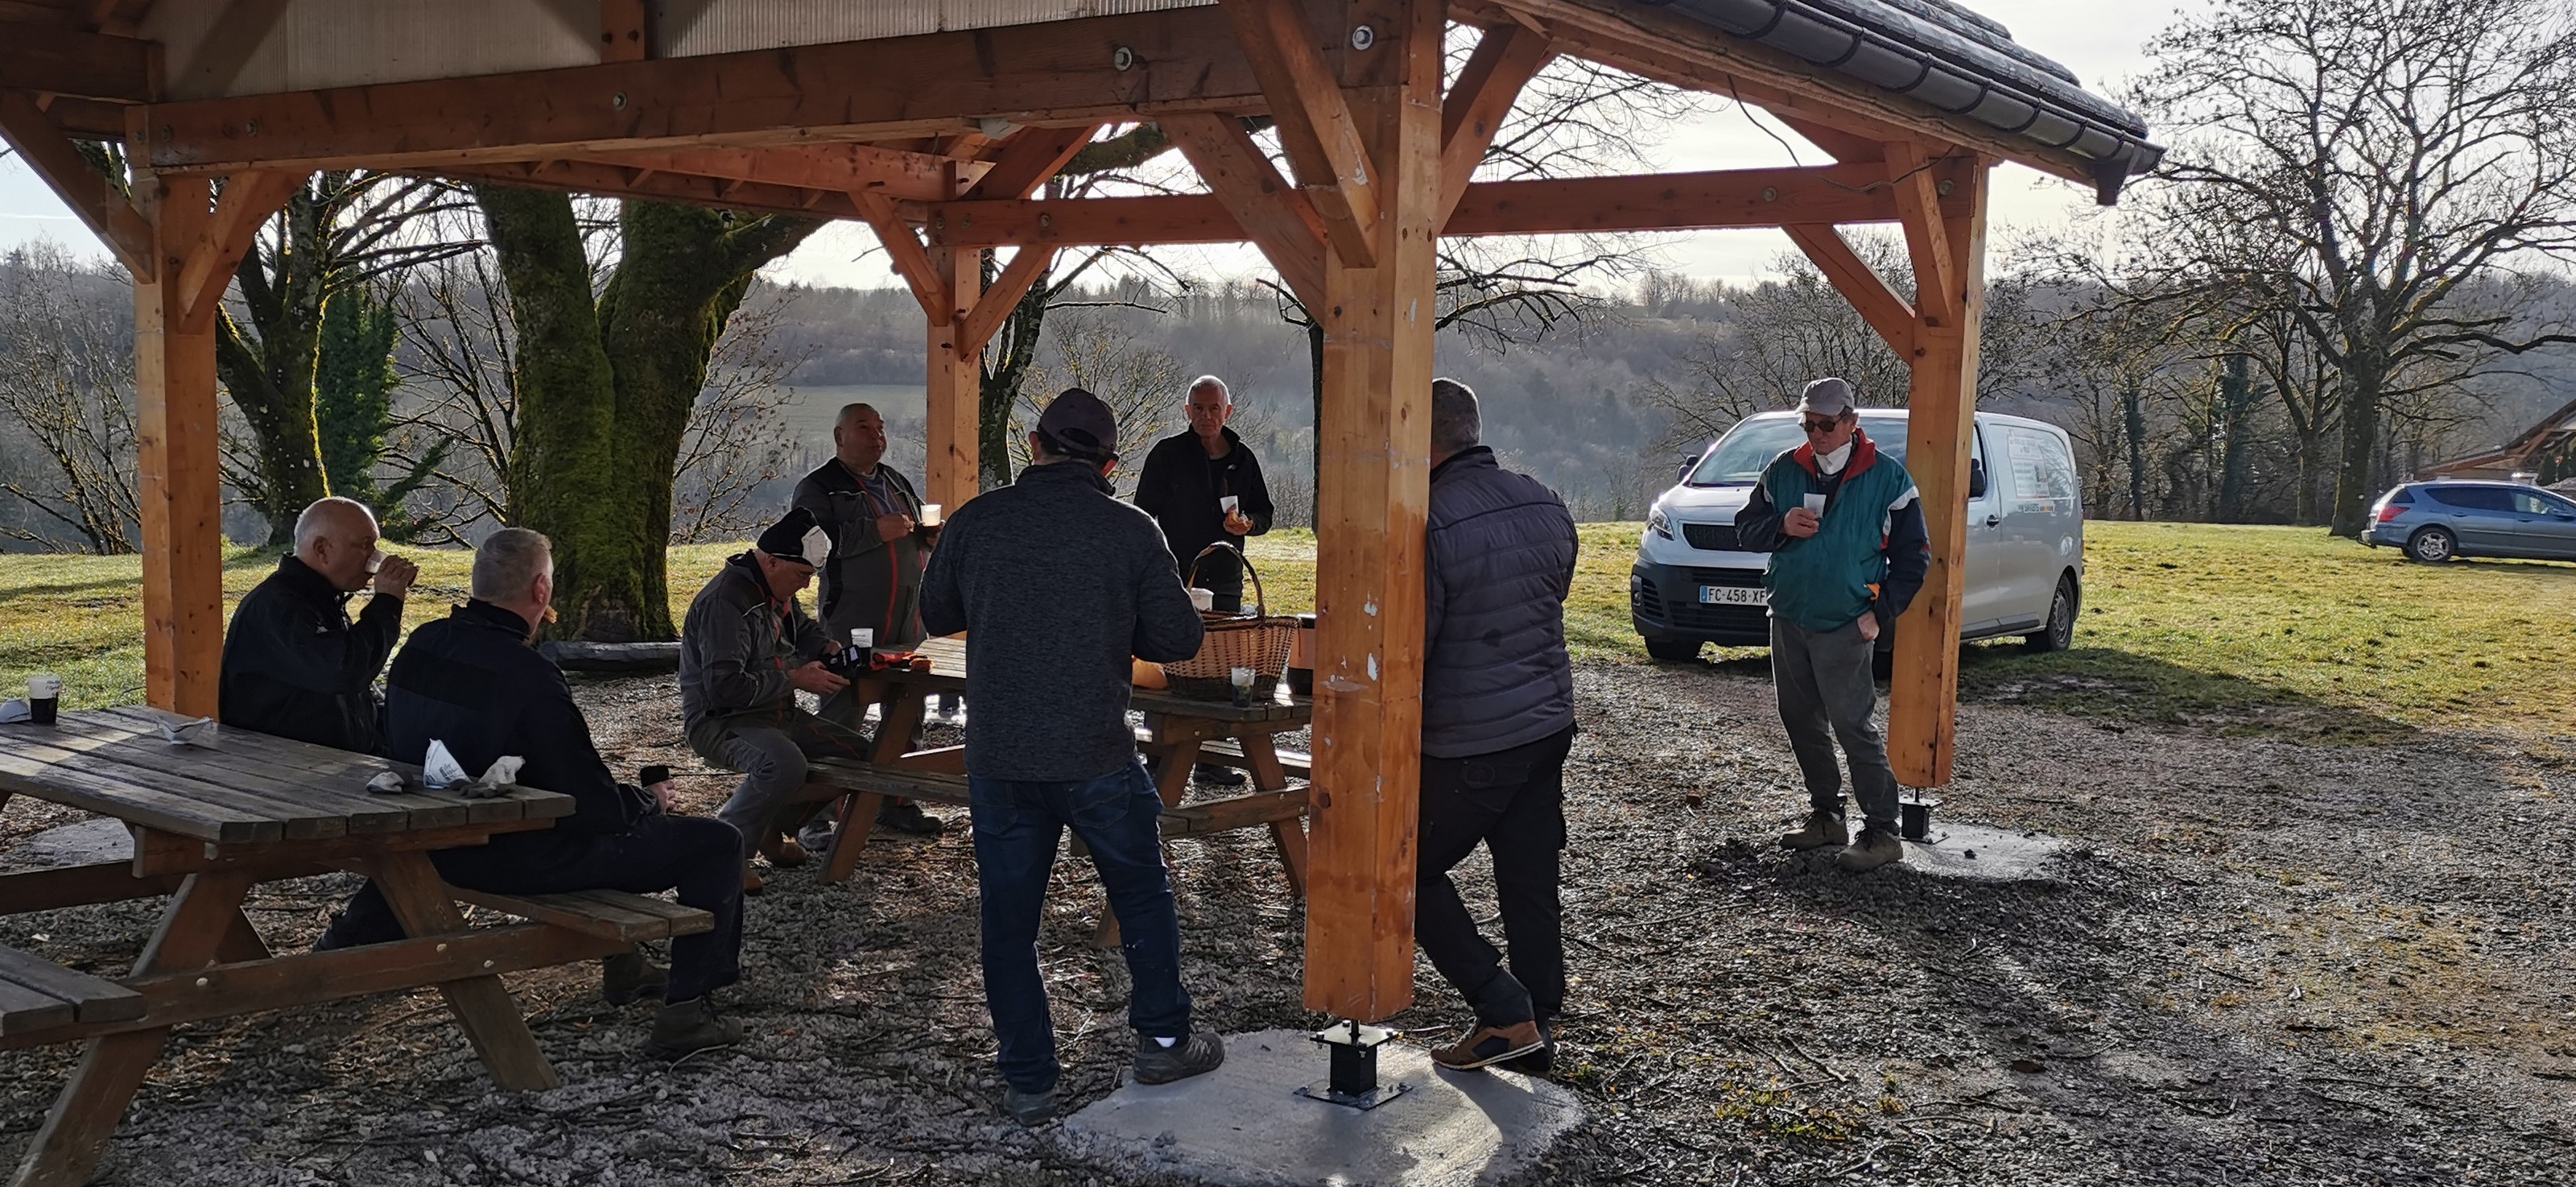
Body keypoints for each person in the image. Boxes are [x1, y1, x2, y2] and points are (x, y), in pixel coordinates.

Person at [317, 527, 749, 1057]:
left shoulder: (421, 643)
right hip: (512, 855)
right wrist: (647, 802)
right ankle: (689, 1011)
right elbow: (591, 806)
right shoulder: (527, 672)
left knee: (622, 822)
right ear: (541, 589)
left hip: (430, 843)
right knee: (716, 843)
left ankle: (628, 966)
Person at [920, 388, 1224, 1126]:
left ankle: (1028, 1081)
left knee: (1008, 922)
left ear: (1034, 445)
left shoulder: (978, 520)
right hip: (1095, 751)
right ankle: (1163, 1040)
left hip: (1001, 754)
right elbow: (1180, 639)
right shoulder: (1130, 529)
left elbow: (937, 614)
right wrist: (1115, 618)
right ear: (1111, 465)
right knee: (1141, 896)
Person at [1414, 378, 1581, 1074]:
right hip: (1547, 721)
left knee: (1400, 870)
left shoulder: (1431, 519)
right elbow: (1553, 593)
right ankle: (1540, 1014)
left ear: (1419, 436)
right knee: (1528, 870)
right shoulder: (1544, 500)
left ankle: (1503, 1010)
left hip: (1473, 738)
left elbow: (1414, 644)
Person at [1732, 377, 1930, 873]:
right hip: (1789, 615)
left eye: (1825, 424)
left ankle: (1883, 832)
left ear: (1851, 422)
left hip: (1846, 621)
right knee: (1800, 720)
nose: (1816, 434)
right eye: (1808, 424)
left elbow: (1915, 559)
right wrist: (1781, 525)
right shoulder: (1782, 470)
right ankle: (1827, 816)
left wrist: (1879, 614)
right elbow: (1745, 530)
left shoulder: (1890, 480)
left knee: (1852, 725)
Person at [678, 507, 877, 893]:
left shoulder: (774, 589)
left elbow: (801, 629)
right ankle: (726, 853)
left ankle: (772, 827)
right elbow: (723, 688)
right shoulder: (726, 604)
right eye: (802, 575)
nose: (806, 586)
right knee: (783, 763)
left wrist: (826, 648)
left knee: (866, 757)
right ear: (771, 561)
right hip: (723, 721)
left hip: (776, 712)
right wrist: (794, 678)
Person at [790, 402, 943, 840]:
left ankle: (895, 802)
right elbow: (810, 545)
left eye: (881, 427)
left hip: (908, 617)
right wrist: (875, 531)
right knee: (842, 713)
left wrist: (929, 536)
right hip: (853, 618)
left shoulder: (895, 480)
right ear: (839, 436)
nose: (877, 436)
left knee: (907, 708)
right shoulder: (820, 487)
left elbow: (914, 533)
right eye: (864, 427)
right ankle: (814, 818)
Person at [1132, 374, 1274, 787]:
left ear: (1228, 411)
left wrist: (1248, 524)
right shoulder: (1168, 454)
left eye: (1214, 408)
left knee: (1219, 669)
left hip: (1226, 575)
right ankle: (1158, 759)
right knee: (1168, 667)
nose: (1206, 416)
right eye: (1198, 408)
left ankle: (1211, 761)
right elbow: (1143, 514)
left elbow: (1264, 513)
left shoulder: (1243, 459)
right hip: (1175, 575)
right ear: (1187, 411)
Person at [218, 497, 419, 755]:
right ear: (322, 549)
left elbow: (352, 691)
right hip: (275, 767)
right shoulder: (278, 607)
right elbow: (341, 672)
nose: (375, 558)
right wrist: (386, 605)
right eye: (365, 545)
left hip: (321, 761)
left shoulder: (322, 598)